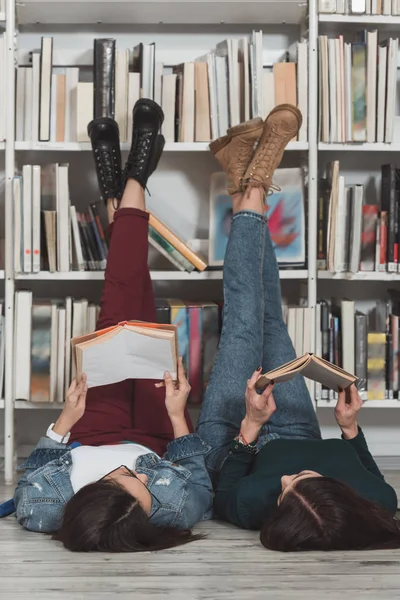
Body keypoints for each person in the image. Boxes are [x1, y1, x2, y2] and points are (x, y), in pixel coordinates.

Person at [3, 100, 213, 552]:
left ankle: (134, 176)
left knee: (118, 305)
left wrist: (65, 419)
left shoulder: (43, 508)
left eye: (122, 479)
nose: (138, 472)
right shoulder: (172, 509)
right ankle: (129, 178)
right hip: (160, 428)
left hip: (94, 425)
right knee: (140, 304)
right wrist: (178, 414)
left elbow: (38, 468)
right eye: (143, 486)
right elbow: (197, 476)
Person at [196, 105, 400, 552]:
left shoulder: (253, 505)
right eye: (300, 480)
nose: (285, 477)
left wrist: (249, 427)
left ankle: (253, 183)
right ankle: (244, 183)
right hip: (296, 427)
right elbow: (364, 465)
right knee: (270, 319)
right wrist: (349, 428)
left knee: (243, 325)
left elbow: (223, 492)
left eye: (283, 490)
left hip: (232, 435)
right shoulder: (379, 500)